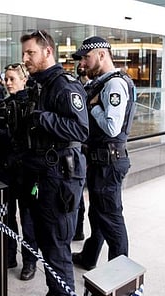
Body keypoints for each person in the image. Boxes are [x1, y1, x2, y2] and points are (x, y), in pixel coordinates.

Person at [18, 30, 88, 296]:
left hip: (60, 181)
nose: (25, 58)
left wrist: (41, 117)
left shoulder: (64, 85)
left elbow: (80, 129)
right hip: (43, 178)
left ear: (48, 51)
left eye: (30, 53)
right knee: (48, 249)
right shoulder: (39, 85)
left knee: (58, 253)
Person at [71, 36, 136, 271]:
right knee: (97, 214)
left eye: (87, 57)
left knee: (111, 218)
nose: (83, 63)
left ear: (101, 54)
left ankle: (119, 275)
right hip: (101, 160)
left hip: (109, 162)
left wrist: (95, 106)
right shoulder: (101, 82)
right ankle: (89, 257)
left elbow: (112, 127)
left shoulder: (114, 85)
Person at [0, 62, 39, 281]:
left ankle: (30, 261)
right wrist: (9, 136)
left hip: (26, 171)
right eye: (6, 78)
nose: (7, 82)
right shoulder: (0, 105)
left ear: (24, 79)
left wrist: (9, 135)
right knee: (6, 216)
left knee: (28, 219)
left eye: (12, 78)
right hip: (4, 169)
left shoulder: (34, 105)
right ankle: (9, 255)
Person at [72, 61, 91, 241]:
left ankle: (78, 229)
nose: (82, 66)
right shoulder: (74, 85)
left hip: (86, 147)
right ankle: (76, 229)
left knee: (80, 194)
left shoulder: (94, 86)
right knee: (76, 194)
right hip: (78, 147)